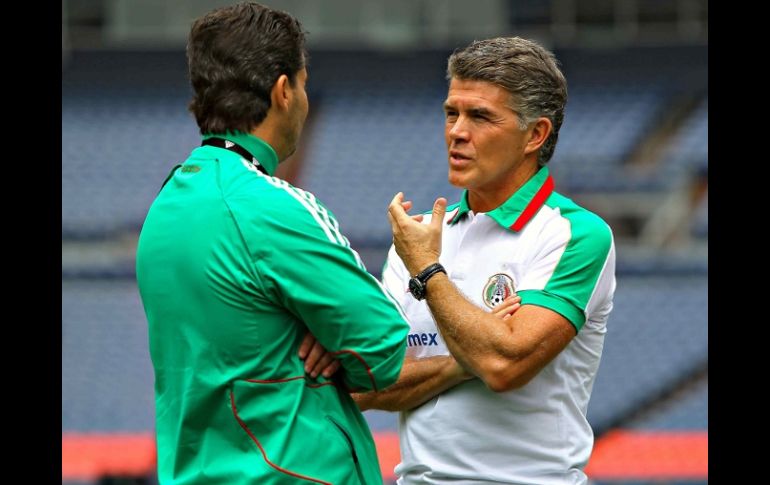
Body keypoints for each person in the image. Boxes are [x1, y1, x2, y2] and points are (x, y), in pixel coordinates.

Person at [135, 3, 410, 484]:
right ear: (284, 91)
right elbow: (382, 351)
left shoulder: (168, 203)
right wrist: (334, 338)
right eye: (303, 84)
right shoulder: (272, 206)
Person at [356, 37, 617, 484]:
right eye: (451, 113)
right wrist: (464, 359)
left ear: (535, 135)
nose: (457, 131)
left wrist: (427, 271)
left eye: (479, 116)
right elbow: (365, 383)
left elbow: (503, 367)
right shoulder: (420, 236)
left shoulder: (575, 235)